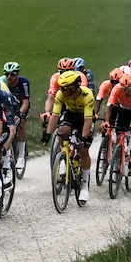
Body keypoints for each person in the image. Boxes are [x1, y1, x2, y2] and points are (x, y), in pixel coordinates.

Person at [43, 68, 95, 204]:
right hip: (71, 115)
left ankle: (84, 185)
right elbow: (55, 116)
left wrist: (83, 138)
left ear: (73, 88)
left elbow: (88, 120)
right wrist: (47, 134)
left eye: (64, 88)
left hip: (84, 117)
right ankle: (64, 155)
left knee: (83, 149)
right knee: (62, 130)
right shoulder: (61, 94)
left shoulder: (87, 95)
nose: (60, 90)